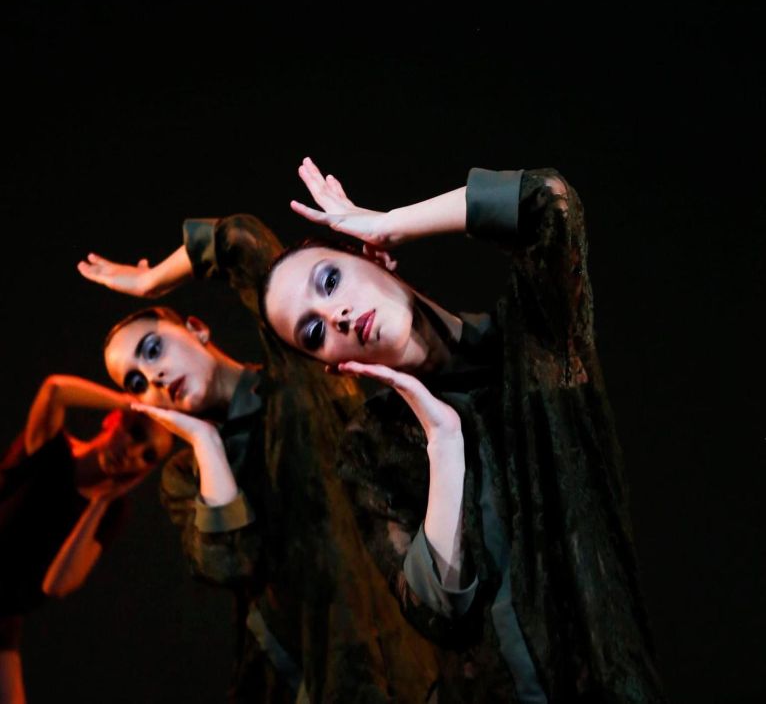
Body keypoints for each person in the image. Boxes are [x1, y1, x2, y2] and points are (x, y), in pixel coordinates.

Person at [259, 157, 667, 702]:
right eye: (312, 332)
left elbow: (549, 201)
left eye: (330, 281)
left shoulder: (530, 341)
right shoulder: (367, 449)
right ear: (331, 365)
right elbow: (438, 613)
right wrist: (444, 445)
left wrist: (392, 222)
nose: (335, 316)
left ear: (373, 257)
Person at [80, 215, 439, 702]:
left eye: (153, 348)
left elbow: (241, 241)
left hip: (401, 657)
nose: (155, 374)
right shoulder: (185, 477)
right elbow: (228, 565)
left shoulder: (298, 382)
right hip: (294, 681)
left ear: (196, 329)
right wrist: (206, 443)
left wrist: (151, 281)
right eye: (137, 382)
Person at [0, 375, 173, 704]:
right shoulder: (51, 447)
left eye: (148, 456)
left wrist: (101, 502)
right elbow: (54, 390)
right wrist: (127, 402)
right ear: (114, 420)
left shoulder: (110, 512)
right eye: (136, 434)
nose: (134, 452)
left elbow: (57, 584)